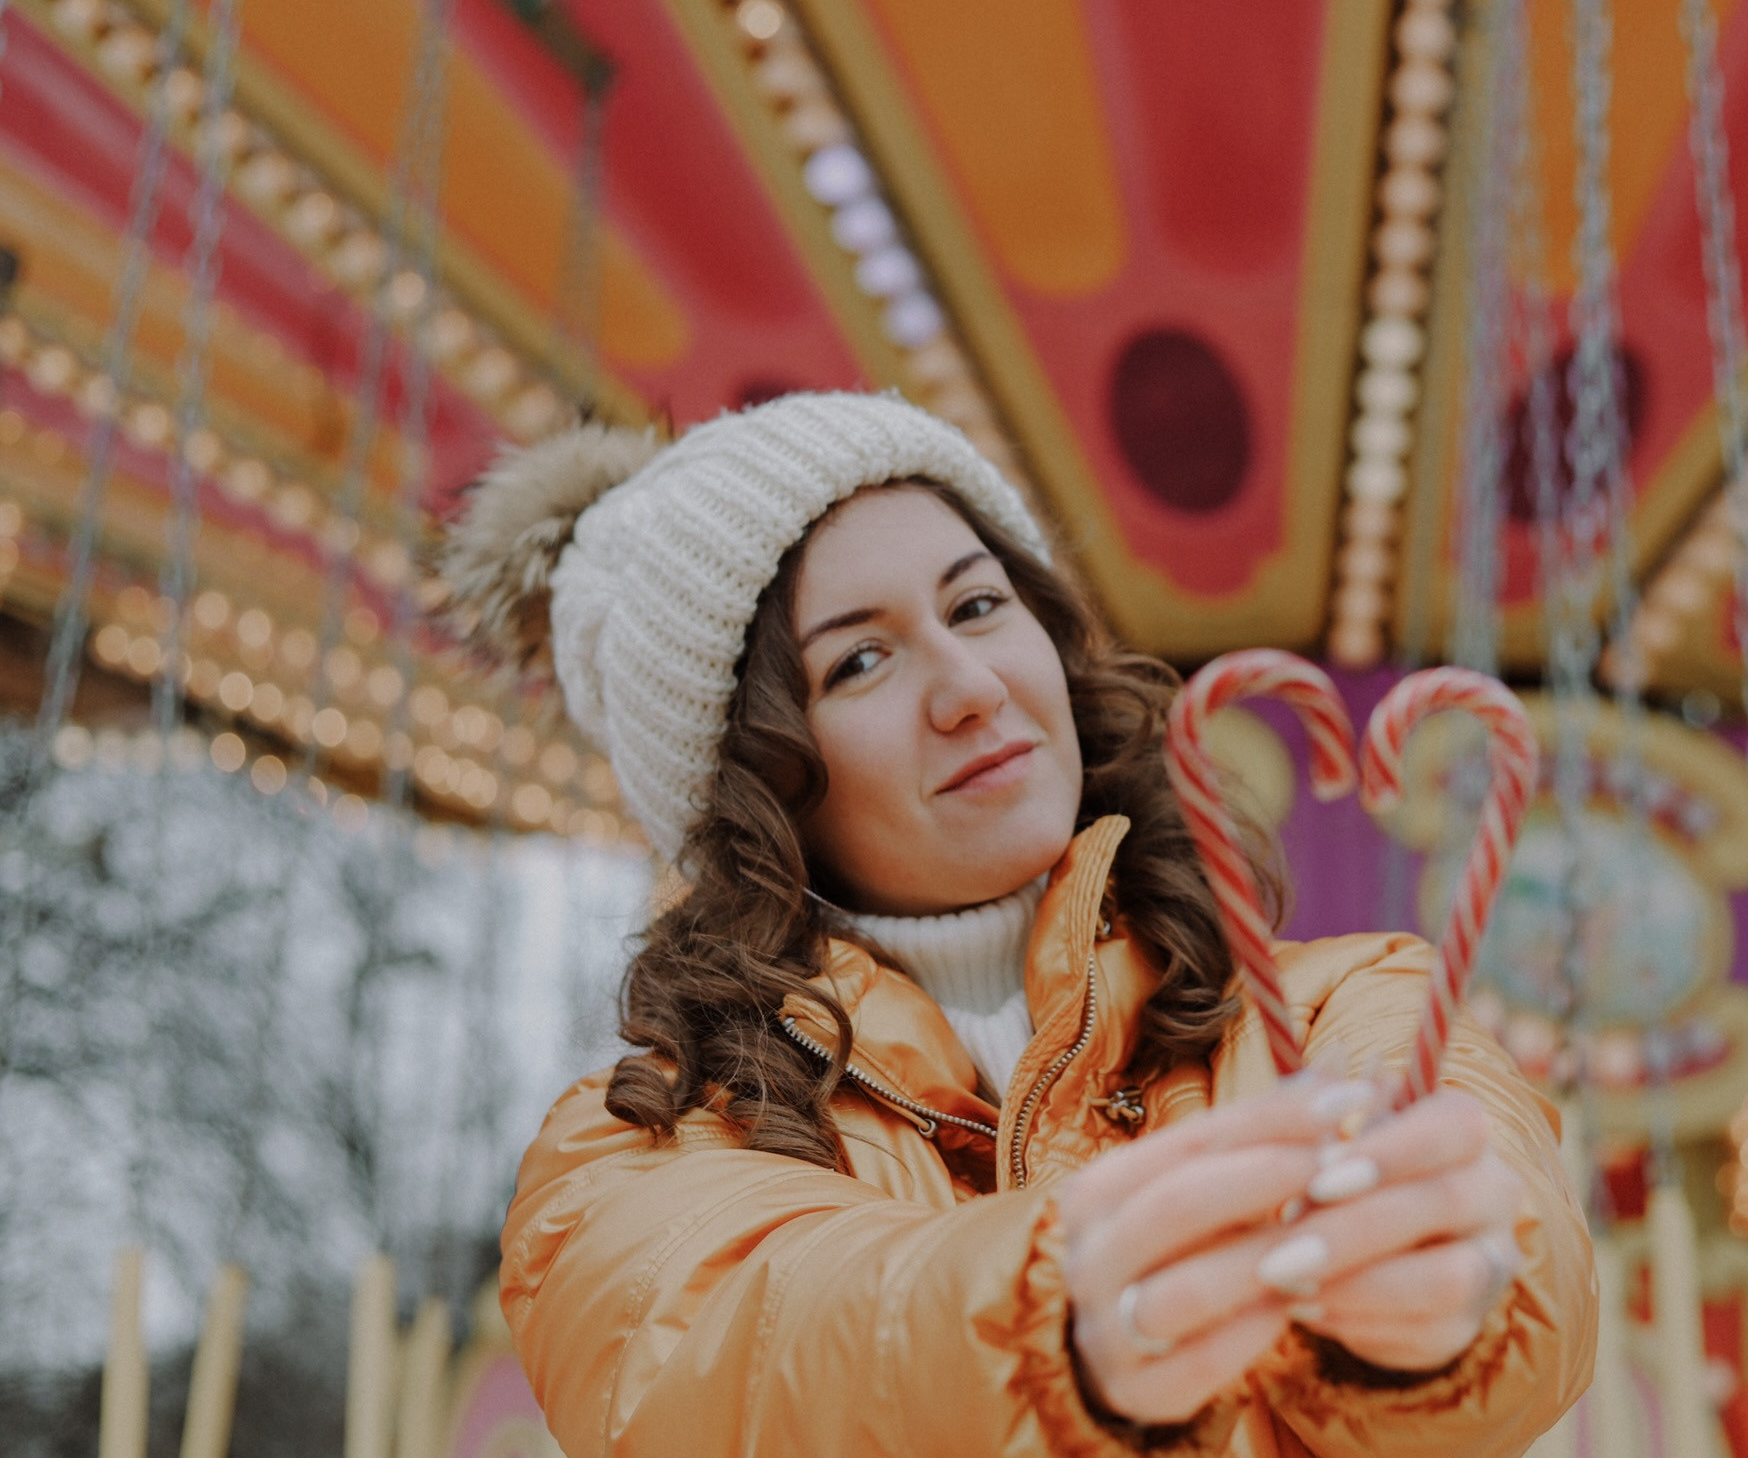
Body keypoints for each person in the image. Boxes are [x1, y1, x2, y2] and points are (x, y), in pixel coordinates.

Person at [440, 392, 1595, 1456]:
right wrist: (1056, 1319)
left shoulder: (1343, 1002)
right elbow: (750, 1355)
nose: (971, 686)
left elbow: (1515, 1228)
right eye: (860, 661)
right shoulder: (633, 1148)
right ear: (751, 783)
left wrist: (1440, 1305)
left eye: (979, 603)